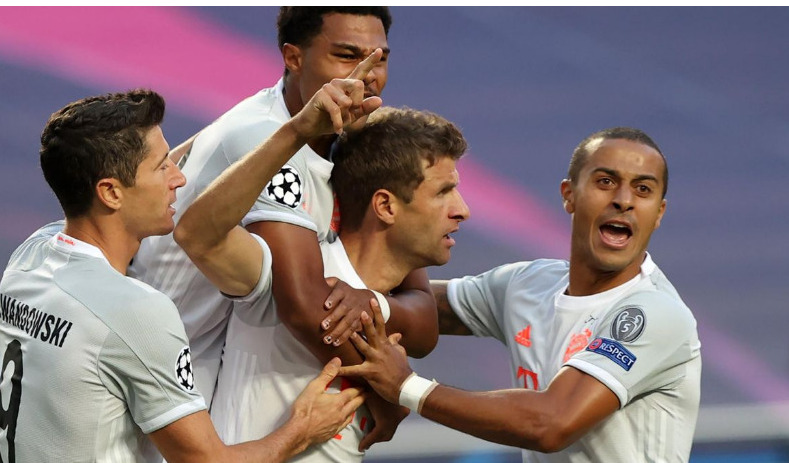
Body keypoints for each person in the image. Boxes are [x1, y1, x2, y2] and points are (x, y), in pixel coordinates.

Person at [0, 90, 364, 463]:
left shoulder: (30, 258)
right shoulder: (136, 313)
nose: (179, 178)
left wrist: (290, 124)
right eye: (162, 168)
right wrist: (301, 430)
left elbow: (131, 170)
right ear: (109, 192)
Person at [128, 11, 436, 430]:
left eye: (378, 59)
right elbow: (307, 309)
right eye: (347, 56)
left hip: (218, 388)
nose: (367, 76)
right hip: (160, 389)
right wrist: (384, 391)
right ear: (293, 57)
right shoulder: (260, 135)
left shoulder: (353, 138)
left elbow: (423, 315)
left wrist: (376, 303)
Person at [338, 127, 702, 462]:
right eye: (606, 182)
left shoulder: (655, 313)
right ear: (569, 195)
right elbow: (412, 309)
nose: (624, 200)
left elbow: (551, 423)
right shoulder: (529, 285)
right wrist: (394, 238)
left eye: (643, 189)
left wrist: (405, 387)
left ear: (659, 213)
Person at [174, 64, 469, 462]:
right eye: (444, 192)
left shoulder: (394, 303)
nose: (462, 210)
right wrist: (294, 132)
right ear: (385, 206)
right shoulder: (287, 277)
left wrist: (374, 311)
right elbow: (197, 235)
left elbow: (425, 326)